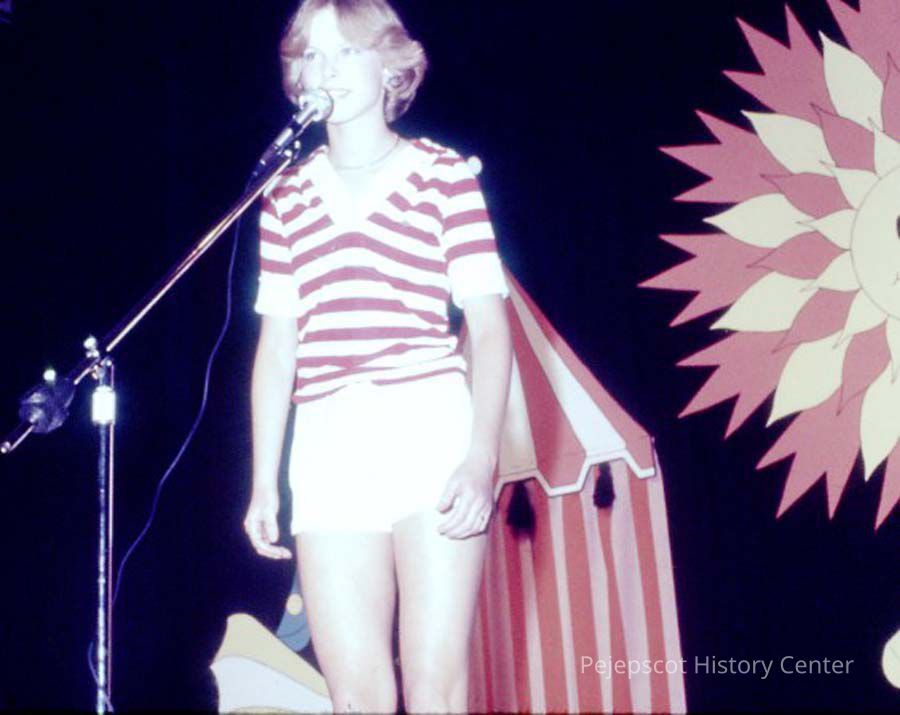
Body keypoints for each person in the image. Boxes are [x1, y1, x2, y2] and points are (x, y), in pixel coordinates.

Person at [243, 0, 512, 711]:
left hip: (427, 426)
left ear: (391, 65)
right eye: (312, 54)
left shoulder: (444, 174)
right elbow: (278, 346)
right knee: (356, 694)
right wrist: (264, 480)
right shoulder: (285, 195)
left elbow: (490, 328)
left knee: (434, 685)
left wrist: (481, 457)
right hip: (327, 443)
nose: (326, 69)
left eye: (347, 51)